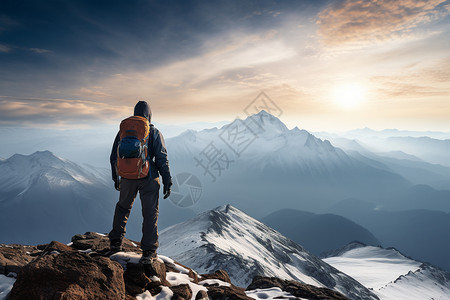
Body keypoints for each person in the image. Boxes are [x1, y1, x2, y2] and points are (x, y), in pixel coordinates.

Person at [108, 100, 172, 264]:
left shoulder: (124, 131)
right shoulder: (154, 131)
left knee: (122, 208)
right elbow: (162, 158)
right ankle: (149, 252)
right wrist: (167, 179)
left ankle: (115, 244)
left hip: (127, 177)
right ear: (149, 115)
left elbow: (113, 156)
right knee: (150, 214)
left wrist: (117, 177)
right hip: (149, 178)